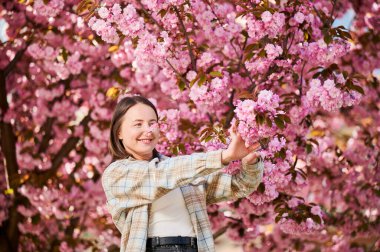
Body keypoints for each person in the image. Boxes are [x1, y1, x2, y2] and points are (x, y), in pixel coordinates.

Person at [101, 95, 264, 252]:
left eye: (152, 123)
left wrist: (250, 161)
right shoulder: (116, 174)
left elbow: (239, 185)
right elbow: (159, 177)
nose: (148, 130)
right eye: (138, 124)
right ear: (119, 133)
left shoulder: (184, 173)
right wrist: (224, 156)